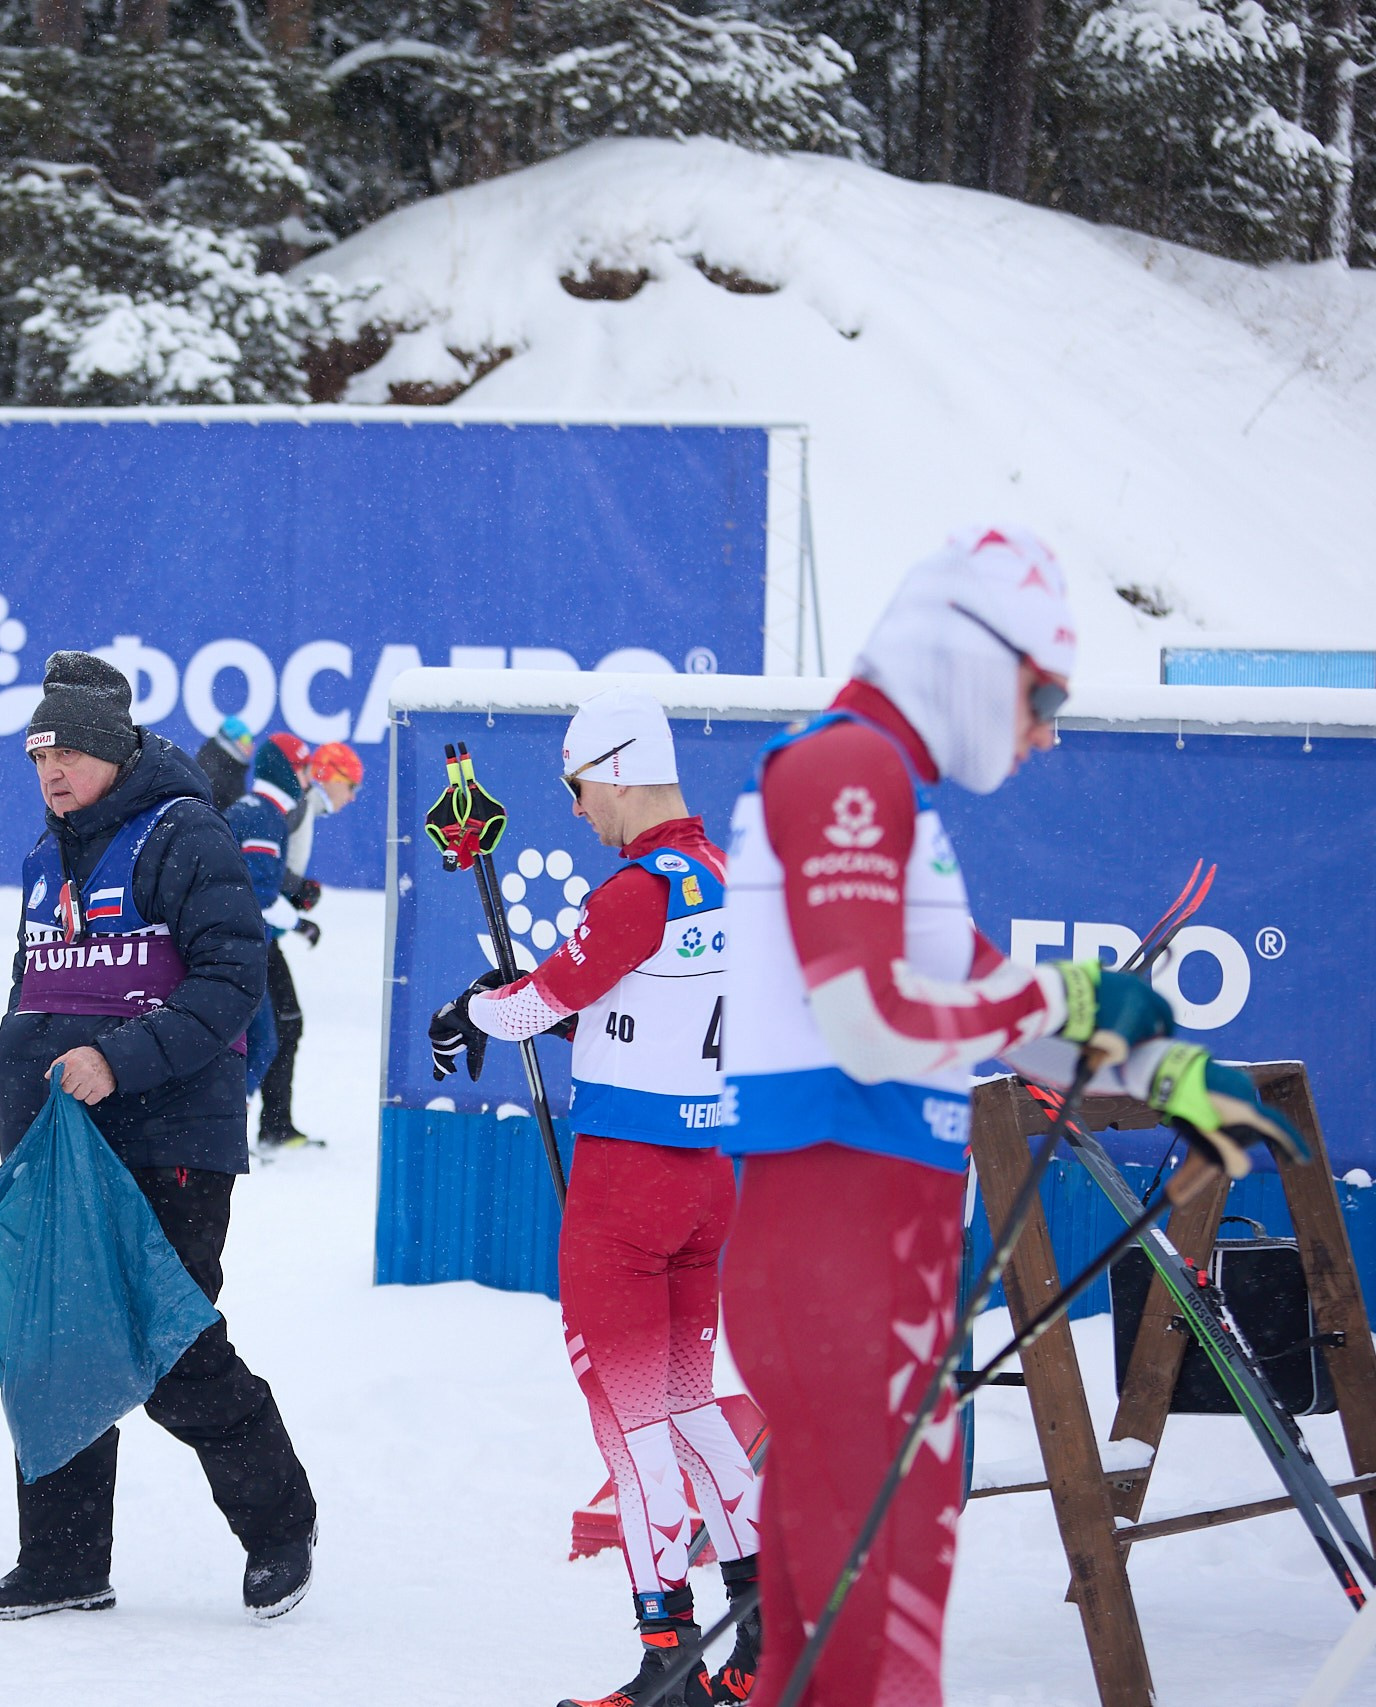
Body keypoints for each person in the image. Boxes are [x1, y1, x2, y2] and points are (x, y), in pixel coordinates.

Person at [712, 527, 1294, 1707]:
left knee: (874, 1645)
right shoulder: (842, 770)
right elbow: (873, 1018)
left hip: (879, 1255)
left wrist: (1169, 1072)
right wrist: (1069, 993)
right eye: (1044, 694)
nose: (1046, 731)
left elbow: (991, 1012)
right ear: (969, 658)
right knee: (866, 1655)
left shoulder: (890, 798)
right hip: (833, 1242)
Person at [427, 687, 760, 1707]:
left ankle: (669, 1659)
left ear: (614, 769)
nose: (576, 811)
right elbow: (629, 1017)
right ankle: (763, 1636)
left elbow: (535, 1006)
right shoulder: (721, 878)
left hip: (625, 1194)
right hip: (705, 1180)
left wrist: (471, 1009)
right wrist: (525, 1003)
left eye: (578, 790)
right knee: (685, 1402)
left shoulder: (634, 889)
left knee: (630, 1421)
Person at [0, 651, 319, 1622]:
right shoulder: (48, 857)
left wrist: (120, 1059)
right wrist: (10, 1078)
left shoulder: (185, 833)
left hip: (170, 1134)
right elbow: (29, 993)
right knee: (55, 1350)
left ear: (116, 752)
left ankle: (280, 1527)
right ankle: (64, 1564)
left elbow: (230, 981)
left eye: (71, 751)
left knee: (169, 1352)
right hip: (61, 1141)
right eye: (39, 754)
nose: (52, 771)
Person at [255, 739, 361, 1154]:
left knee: (282, 1026)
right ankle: (270, 1126)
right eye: (350, 784)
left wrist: (296, 894)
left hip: (263, 934)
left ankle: (275, 1124)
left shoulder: (302, 807)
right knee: (279, 1027)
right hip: (257, 936)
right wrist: (297, 895)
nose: (352, 797)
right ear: (328, 776)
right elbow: (263, 868)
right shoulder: (298, 806)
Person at [221, 739, 315, 1136]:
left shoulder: (247, 810)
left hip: (223, 943)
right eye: (305, 770)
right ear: (289, 771)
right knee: (260, 1043)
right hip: (239, 947)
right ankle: (224, 1129)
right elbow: (257, 895)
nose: (310, 781)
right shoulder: (265, 819)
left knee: (247, 1042)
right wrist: (299, 924)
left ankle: (225, 1126)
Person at [195, 714, 255, 811]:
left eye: (251, 740)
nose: (251, 746)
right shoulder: (213, 768)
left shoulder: (233, 766)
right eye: (246, 739)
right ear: (230, 739)